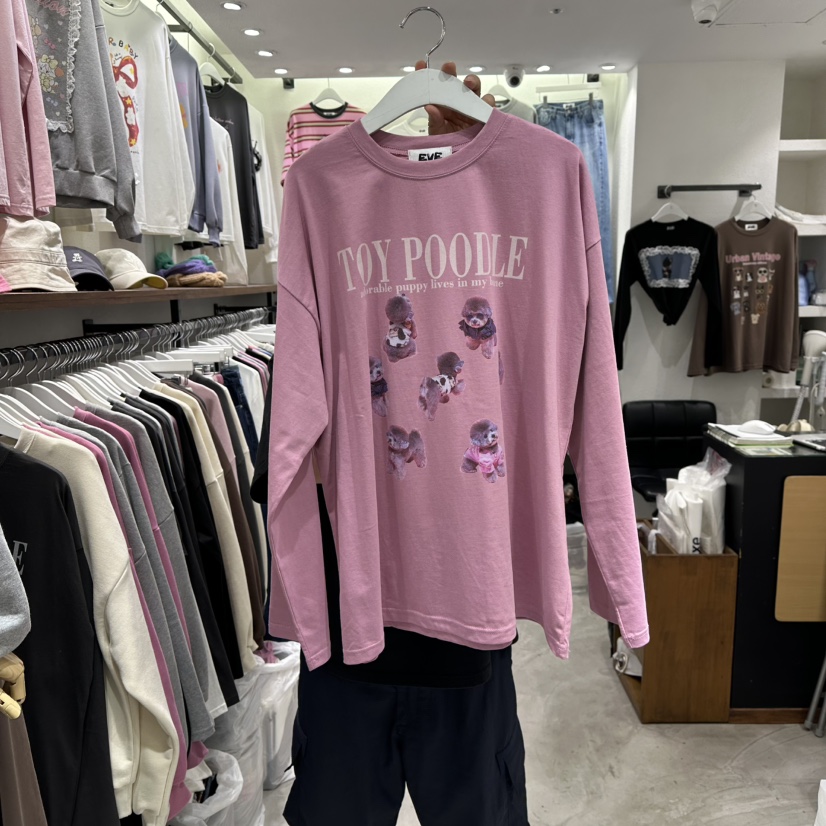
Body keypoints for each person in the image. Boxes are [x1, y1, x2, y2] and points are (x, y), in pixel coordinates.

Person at [253, 62, 530, 826]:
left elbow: (583, 389)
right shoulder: (320, 190)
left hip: (464, 625)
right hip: (353, 628)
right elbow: (291, 437)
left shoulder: (537, 182)